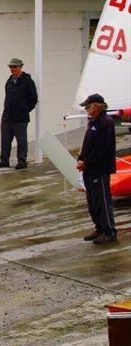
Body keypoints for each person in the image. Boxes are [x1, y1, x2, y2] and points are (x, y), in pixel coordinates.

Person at [76, 94, 118, 245]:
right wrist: (81, 157)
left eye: (88, 106)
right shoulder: (93, 121)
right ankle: (99, 227)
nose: (87, 109)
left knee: (102, 201)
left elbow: (102, 149)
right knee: (92, 201)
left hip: (99, 169)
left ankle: (109, 231)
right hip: (90, 168)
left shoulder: (105, 122)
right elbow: (87, 143)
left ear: (97, 106)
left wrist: (86, 162)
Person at [0, 58, 38, 170]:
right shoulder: (9, 80)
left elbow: (33, 98)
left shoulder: (27, 81)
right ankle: (4, 160)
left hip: (20, 117)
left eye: (14, 67)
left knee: (21, 140)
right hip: (7, 116)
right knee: (5, 139)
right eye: (10, 67)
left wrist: (24, 109)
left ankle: (22, 160)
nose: (12, 69)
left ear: (20, 67)